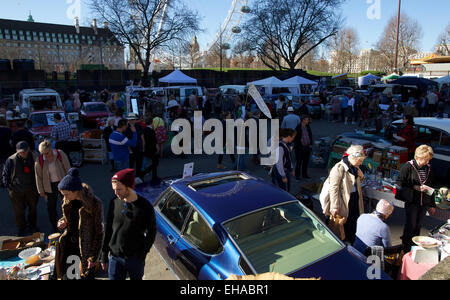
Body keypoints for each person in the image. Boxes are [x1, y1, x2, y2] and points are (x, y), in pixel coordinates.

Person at [101, 169, 156, 280]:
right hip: (115, 258)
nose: (116, 193)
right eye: (114, 190)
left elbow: (152, 232)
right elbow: (108, 230)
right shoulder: (114, 202)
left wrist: (142, 254)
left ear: (129, 187)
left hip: (135, 259)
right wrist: (104, 255)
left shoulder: (145, 207)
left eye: (119, 189)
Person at [55, 168, 104, 280]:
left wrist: (93, 258)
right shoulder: (68, 202)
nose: (64, 198)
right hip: (70, 247)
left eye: (66, 194)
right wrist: (62, 222)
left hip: (84, 250)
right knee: (70, 277)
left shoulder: (94, 204)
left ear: (75, 191)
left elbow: (99, 233)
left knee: (84, 276)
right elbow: (68, 218)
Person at [320, 145, 366, 244]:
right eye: (360, 160)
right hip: (342, 200)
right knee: (341, 225)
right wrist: (334, 206)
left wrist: (361, 176)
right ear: (353, 158)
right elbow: (334, 188)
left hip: (353, 199)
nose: (361, 163)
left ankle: (350, 243)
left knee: (352, 223)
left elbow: (357, 182)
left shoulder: (355, 167)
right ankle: (340, 244)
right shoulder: (339, 167)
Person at [396, 145, 436, 252]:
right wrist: (414, 187)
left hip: (424, 202)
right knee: (411, 225)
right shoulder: (408, 166)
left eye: (428, 159)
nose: (426, 161)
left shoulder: (429, 168)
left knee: (418, 225)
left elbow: (432, 186)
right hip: (412, 201)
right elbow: (400, 183)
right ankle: (405, 247)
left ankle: (413, 247)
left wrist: (432, 205)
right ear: (418, 157)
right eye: (424, 159)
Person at [3, 141, 39, 236]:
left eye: (24, 151)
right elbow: (5, 174)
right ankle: (21, 227)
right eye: (20, 152)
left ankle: (32, 225)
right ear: (16, 151)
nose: (22, 153)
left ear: (28, 149)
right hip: (16, 190)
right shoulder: (11, 160)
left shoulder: (35, 157)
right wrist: (8, 186)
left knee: (33, 208)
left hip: (31, 188)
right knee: (19, 210)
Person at [35, 140, 71, 233]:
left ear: (51, 150)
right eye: (43, 154)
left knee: (67, 204)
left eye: (47, 153)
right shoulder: (39, 160)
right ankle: (55, 226)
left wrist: (71, 182)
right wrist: (41, 191)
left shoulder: (60, 154)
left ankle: (69, 223)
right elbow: (38, 176)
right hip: (49, 186)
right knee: (51, 207)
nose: (46, 155)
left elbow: (68, 168)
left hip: (62, 183)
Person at [271, 128, 296, 192]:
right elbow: (279, 163)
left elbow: (289, 158)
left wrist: (292, 168)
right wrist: (283, 176)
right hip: (281, 171)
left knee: (286, 188)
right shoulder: (280, 147)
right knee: (283, 190)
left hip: (285, 170)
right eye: (293, 137)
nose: (293, 138)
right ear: (288, 136)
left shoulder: (286, 144)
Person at [125, 113, 145, 179]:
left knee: (139, 165)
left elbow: (142, 137)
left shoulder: (139, 126)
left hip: (139, 148)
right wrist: (129, 150)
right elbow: (126, 140)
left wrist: (143, 147)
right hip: (131, 150)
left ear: (135, 119)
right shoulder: (126, 128)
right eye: (130, 119)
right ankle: (131, 179)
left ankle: (138, 178)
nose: (131, 121)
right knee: (131, 165)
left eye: (133, 119)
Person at [294, 115, 312, 180]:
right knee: (299, 162)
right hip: (300, 148)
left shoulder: (307, 127)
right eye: (307, 119)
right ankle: (297, 176)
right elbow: (296, 139)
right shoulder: (298, 128)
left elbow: (310, 136)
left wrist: (310, 144)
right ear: (303, 120)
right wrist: (298, 147)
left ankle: (304, 174)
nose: (308, 121)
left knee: (305, 162)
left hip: (307, 147)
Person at [142, 117, 160, 182]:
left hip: (147, 148)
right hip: (152, 148)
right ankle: (150, 175)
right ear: (151, 123)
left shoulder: (144, 130)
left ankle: (154, 176)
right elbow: (154, 141)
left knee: (154, 162)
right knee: (155, 162)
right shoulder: (151, 131)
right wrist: (157, 147)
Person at [0, 116, 13, 185]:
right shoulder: (8, 130)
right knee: (7, 165)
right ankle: (6, 179)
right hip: (6, 148)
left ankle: (1, 180)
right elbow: (11, 141)